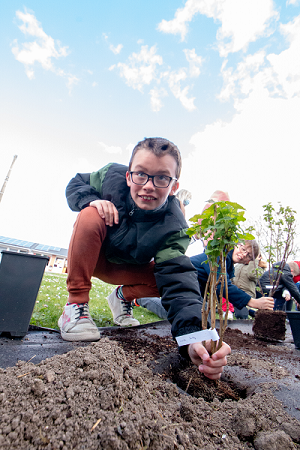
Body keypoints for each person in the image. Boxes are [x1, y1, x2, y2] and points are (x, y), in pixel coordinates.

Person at [59, 137, 230, 380]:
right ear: (129, 176)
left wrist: (193, 339)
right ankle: (75, 304)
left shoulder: (174, 225)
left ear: (173, 186)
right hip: (92, 256)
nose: (148, 185)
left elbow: (177, 278)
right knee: (90, 214)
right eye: (141, 174)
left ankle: (122, 297)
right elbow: (77, 182)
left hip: (127, 268)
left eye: (161, 178)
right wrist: (91, 200)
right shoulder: (110, 176)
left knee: (163, 278)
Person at [190, 241, 274, 313]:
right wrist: (252, 302)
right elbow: (221, 285)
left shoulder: (228, 266)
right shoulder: (218, 256)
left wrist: (251, 312)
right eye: (243, 249)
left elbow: (223, 293)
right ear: (235, 245)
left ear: (248, 261)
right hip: (181, 279)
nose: (244, 254)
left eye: (249, 255)